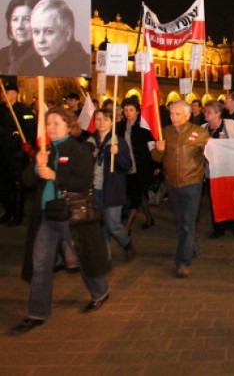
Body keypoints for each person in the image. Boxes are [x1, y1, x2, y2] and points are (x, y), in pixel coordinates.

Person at [12, 108, 110, 335]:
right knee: (40, 265)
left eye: (57, 122)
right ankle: (36, 312)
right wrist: (37, 165)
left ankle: (100, 292)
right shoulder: (44, 150)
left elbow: (83, 181)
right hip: (46, 216)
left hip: (70, 215)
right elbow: (26, 180)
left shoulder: (78, 150)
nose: (52, 127)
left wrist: (55, 175)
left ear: (69, 125)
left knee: (83, 258)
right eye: (48, 123)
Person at [152, 100, 209, 278]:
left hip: (192, 183)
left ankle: (182, 262)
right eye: (171, 114)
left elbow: (213, 153)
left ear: (188, 114)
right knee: (181, 222)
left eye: (177, 114)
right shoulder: (165, 132)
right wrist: (159, 151)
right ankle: (193, 246)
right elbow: (156, 158)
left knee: (186, 223)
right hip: (172, 184)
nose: (173, 117)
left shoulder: (199, 133)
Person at [87, 109, 135, 261]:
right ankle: (105, 257)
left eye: (105, 119)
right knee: (99, 223)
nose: (101, 123)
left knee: (112, 223)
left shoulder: (117, 141)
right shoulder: (90, 141)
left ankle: (126, 243)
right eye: (98, 119)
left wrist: (118, 153)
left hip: (112, 190)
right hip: (94, 189)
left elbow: (127, 165)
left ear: (112, 122)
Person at [202, 101, 234, 238]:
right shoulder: (203, 128)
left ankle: (232, 223)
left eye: (209, 112)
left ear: (218, 113)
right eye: (205, 111)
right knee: (214, 199)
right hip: (211, 172)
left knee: (231, 198)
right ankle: (218, 227)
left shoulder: (230, 124)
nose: (206, 114)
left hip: (228, 170)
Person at [0, 77, 36, 226]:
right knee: (3, 184)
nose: (3, 94)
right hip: (2, 153)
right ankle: (8, 211)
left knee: (16, 185)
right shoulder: (1, 109)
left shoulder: (23, 110)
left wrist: (27, 143)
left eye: (6, 92)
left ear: (14, 94)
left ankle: (18, 213)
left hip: (16, 155)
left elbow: (31, 131)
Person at [116, 97, 155, 233]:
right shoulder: (120, 127)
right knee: (138, 195)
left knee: (136, 195)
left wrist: (156, 165)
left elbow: (152, 147)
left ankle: (127, 226)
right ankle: (149, 218)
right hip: (125, 167)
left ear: (137, 111)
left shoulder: (143, 127)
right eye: (125, 110)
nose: (128, 113)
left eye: (131, 110)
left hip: (141, 166)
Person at [22, 0, 90, 77]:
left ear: (67, 34)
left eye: (49, 31)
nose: (40, 40)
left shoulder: (86, 67)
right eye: (36, 32)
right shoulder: (26, 65)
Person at [0, 0, 41, 75]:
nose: (19, 26)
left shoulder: (46, 57)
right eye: (15, 19)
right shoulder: (2, 54)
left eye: (26, 19)